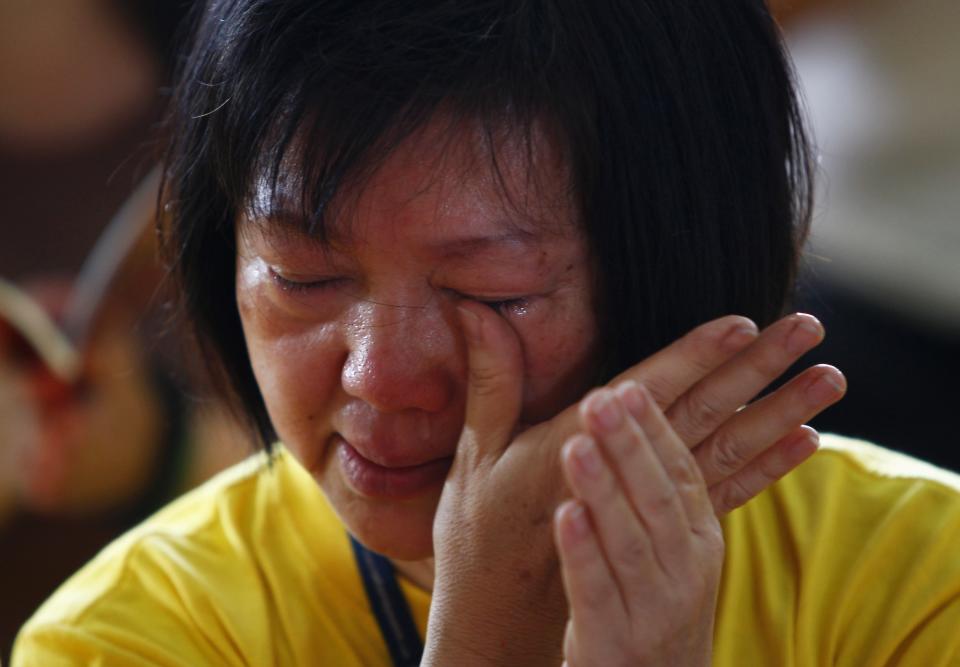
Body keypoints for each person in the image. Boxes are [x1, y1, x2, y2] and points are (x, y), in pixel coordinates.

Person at [13, 1, 960, 665]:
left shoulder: (922, 573)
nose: (378, 377)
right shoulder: (123, 636)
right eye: (304, 277)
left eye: (492, 295)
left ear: (679, 272)